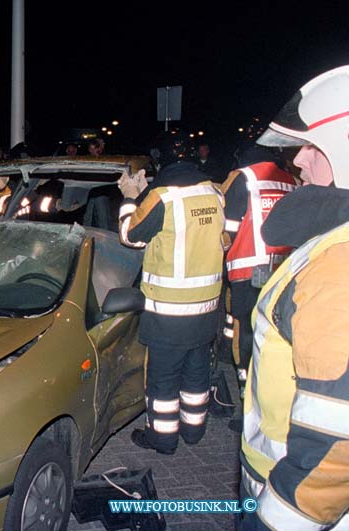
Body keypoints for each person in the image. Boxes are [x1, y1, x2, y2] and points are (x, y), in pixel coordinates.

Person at [238, 65, 349, 531]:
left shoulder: (340, 262)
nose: (298, 160)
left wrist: (277, 520)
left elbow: (336, 430)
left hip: (293, 504)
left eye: (312, 147)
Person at [118, 133, 225, 455]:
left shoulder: (163, 197)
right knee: (196, 370)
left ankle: (162, 438)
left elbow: (130, 236)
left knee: (163, 378)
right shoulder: (214, 191)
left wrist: (130, 196)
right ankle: (194, 430)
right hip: (207, 305)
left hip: (169, 309)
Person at [220, 145, 296, 414]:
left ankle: (247, 401)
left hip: (248, 270)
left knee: (246, 334)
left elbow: (226, 227)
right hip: (284, 269)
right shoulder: (289, 179)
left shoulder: (244, 177)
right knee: (275, 333)